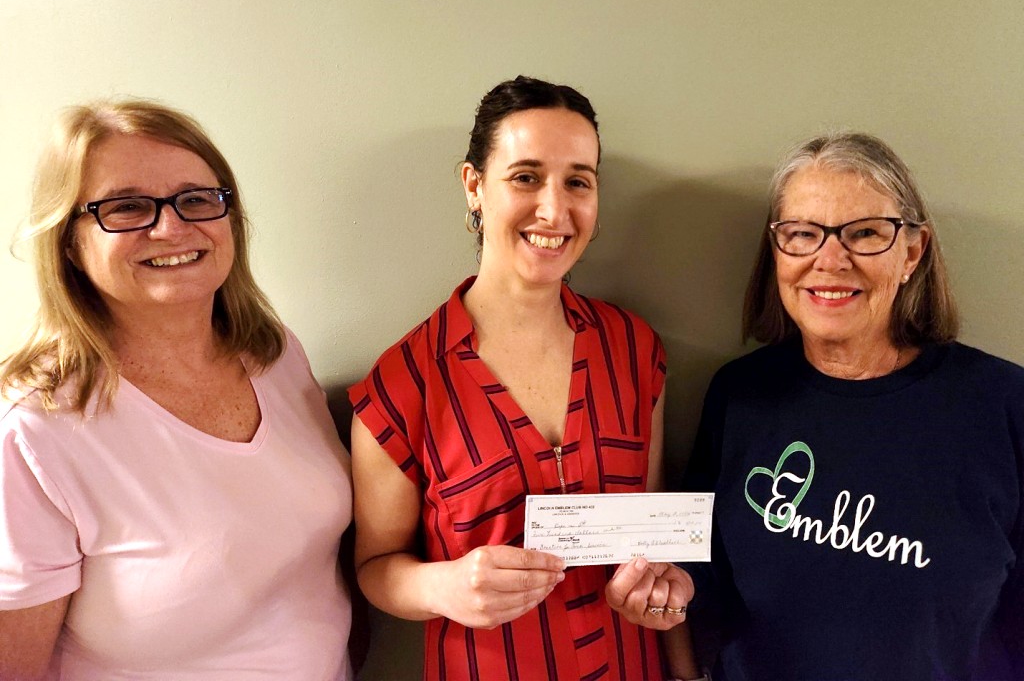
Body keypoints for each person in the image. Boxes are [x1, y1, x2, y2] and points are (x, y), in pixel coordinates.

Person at [349, 76, 698, 680]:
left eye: (578, 182)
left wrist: (663, 592)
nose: (554, 211)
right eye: (526, 177)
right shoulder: (402, 383)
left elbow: (652, 532)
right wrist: (444, 586)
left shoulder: (635, 351)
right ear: (474, 186)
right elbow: (375, 567)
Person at [0, 100, 353, 680]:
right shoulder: (37, 432)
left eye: (196, 199)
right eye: (126, 207)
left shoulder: (274, 354)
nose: (171, 227)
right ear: (68, 243)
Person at [682, 132, 1024, 679]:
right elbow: (702, 579)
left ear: (912, 252)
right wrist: (664, 594)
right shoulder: (739, 395)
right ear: (777, 252)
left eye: (865, 233)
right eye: (802, 234)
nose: (830, 260)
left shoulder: (1004, 404)